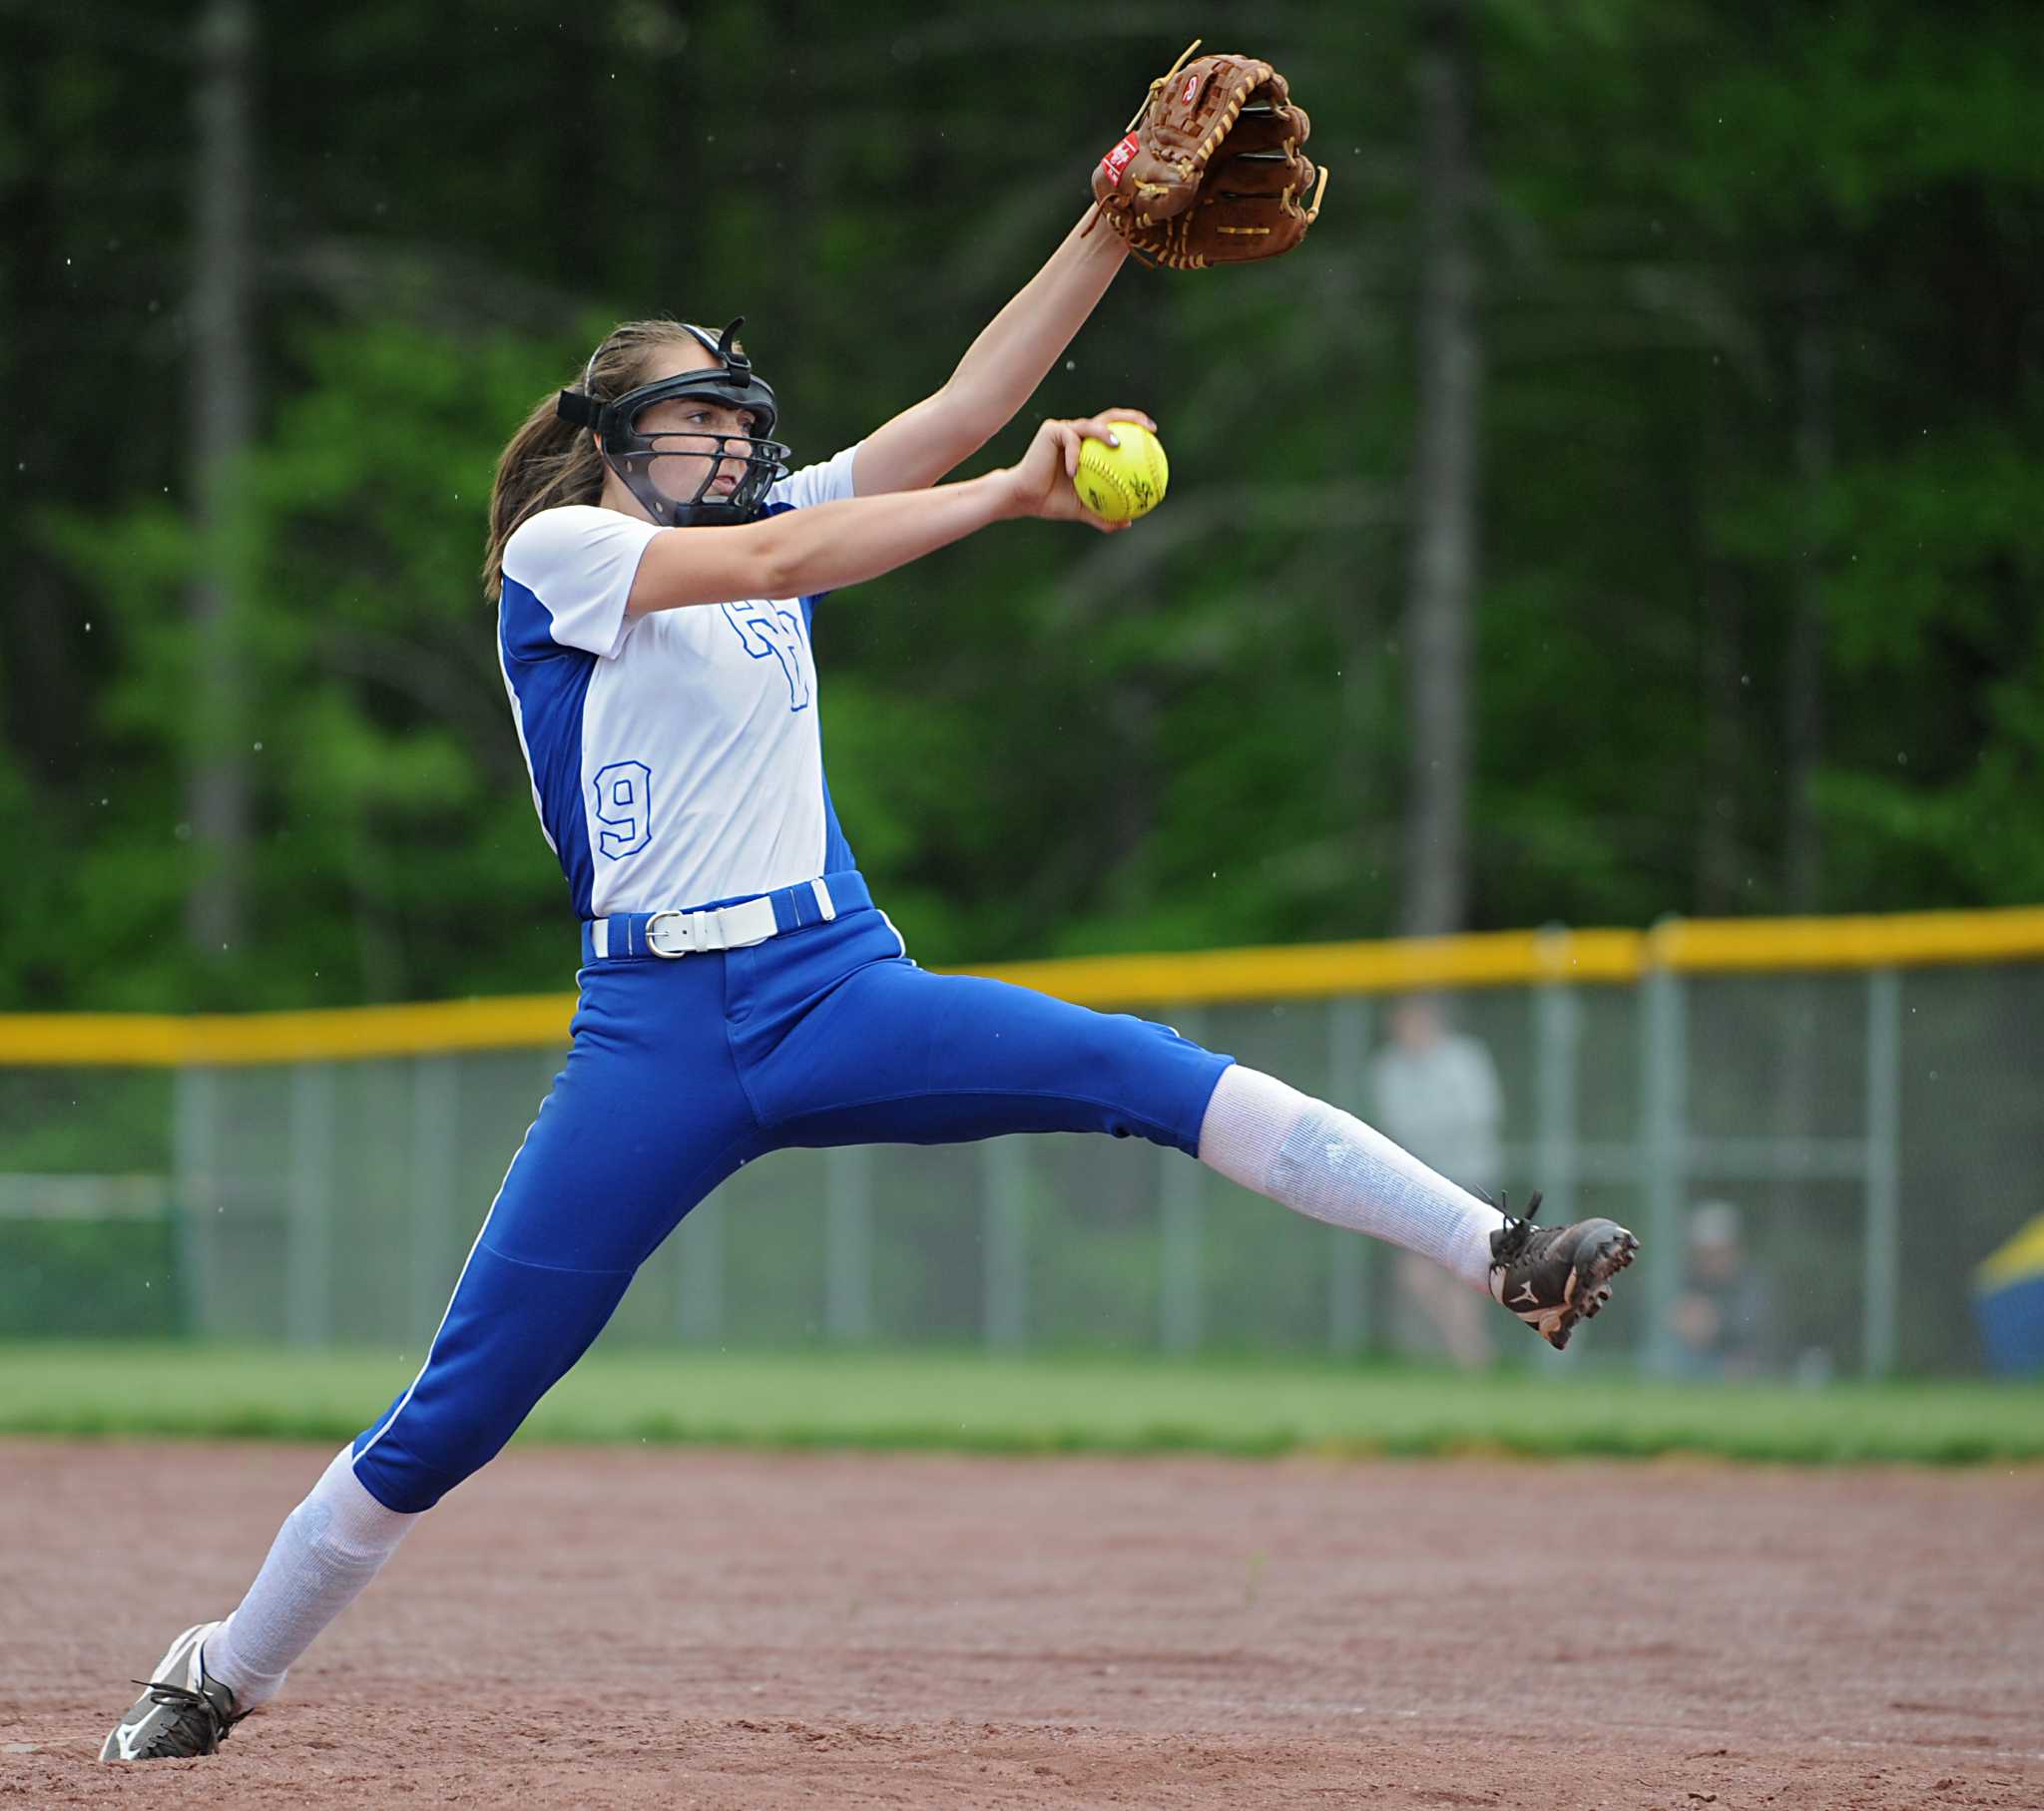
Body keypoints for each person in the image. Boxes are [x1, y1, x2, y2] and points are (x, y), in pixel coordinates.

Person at [101, 208, 1639, 1764]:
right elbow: (781, 547)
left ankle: (1499, 1245)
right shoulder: (563, 552)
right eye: (690, 418)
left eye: (734, 419)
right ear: (611, 438)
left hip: (836, 982)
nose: (724, 444)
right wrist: (1012, 497)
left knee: (1131, 1066)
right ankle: (223, 1667)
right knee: (467, 1398)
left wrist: (1108, 222)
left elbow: (968, 405)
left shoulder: (763, 527)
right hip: (655, 1038)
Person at [1368, 995, 1505, 1370]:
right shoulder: (1390, 1068)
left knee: (1471, 1270)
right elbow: (1399, 1126)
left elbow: (1481, 1112)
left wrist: (1437, 1130)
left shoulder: (1464, 1057)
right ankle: (1472, 1347)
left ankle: (1471, 1358)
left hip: (1472, 1178)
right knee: (1417, 1275)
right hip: (1423, 1183)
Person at [1668, 1199, 1774, 1380]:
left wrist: (1715, 1323)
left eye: (1716, 1252)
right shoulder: (1685, 1281)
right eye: (1703, 1253)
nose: (1709, 1260)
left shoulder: (1752, 1284)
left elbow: (1756, 1328)